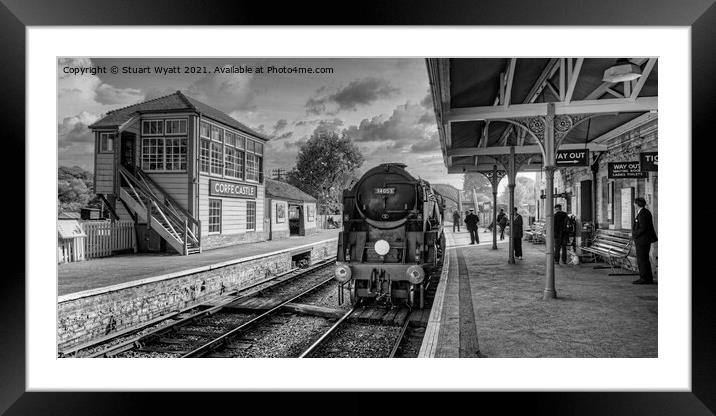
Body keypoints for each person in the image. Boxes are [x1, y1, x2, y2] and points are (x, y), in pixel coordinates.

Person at [632, 197, 658, 284]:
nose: (633, 205)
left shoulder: (643, 213)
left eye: (634, 203)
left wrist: (634, 234)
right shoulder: (643, 212)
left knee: (642, 259)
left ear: (637, 204)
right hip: (643, 240)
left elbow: (643, 227)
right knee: (644, 259)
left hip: (642, 240)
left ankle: (644, 278)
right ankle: (648, 278)